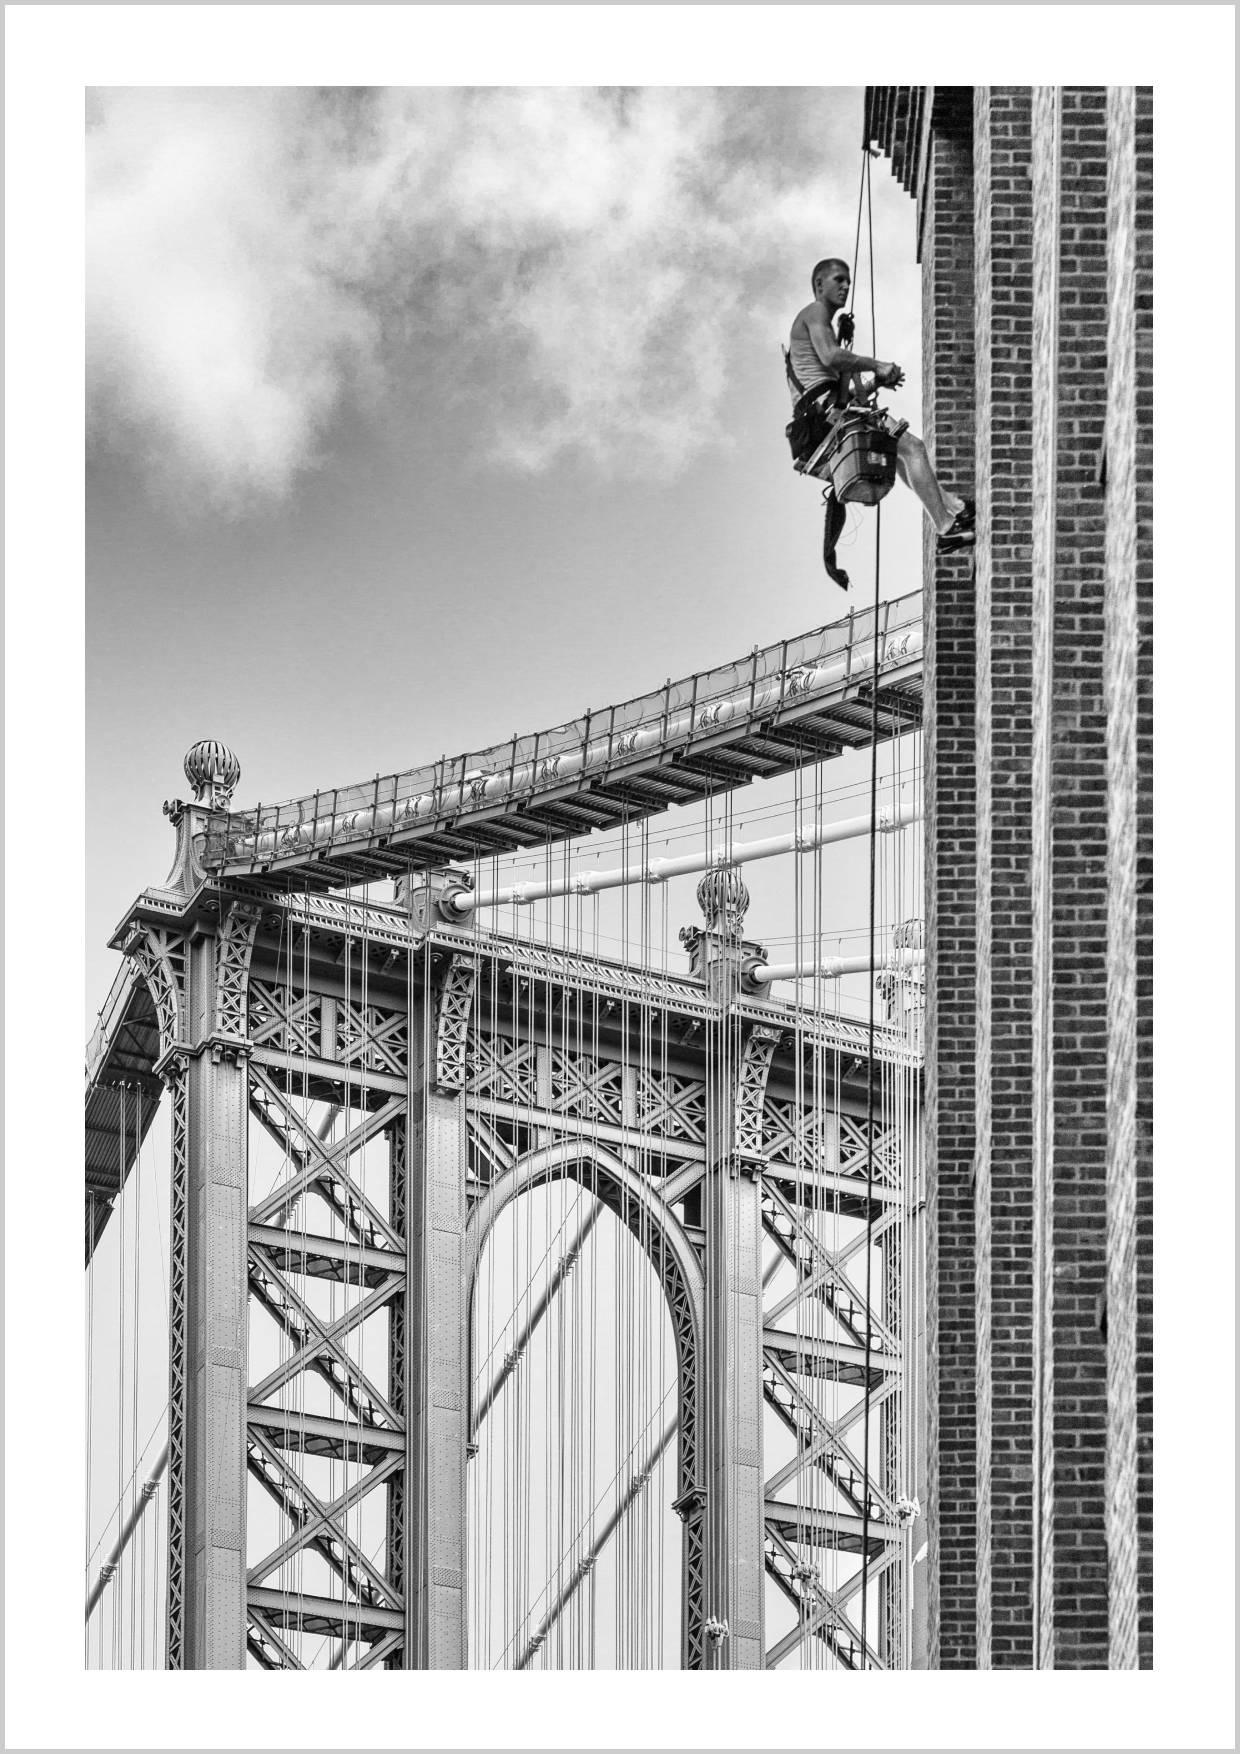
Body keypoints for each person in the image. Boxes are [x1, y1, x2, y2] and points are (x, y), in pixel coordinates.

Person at [789, 258, 975, 552]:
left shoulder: (817, 325)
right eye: (839, 280)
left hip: (827, 415)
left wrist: (875, 384)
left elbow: (835, 385)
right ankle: (946, 527)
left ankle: (955, 507)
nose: (846, 286)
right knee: (913, 448)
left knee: (898, 454)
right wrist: (877, 365)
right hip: (830, 416)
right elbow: (831, 356)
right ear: (819, 284)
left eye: (848, 281)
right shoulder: (814, 312)